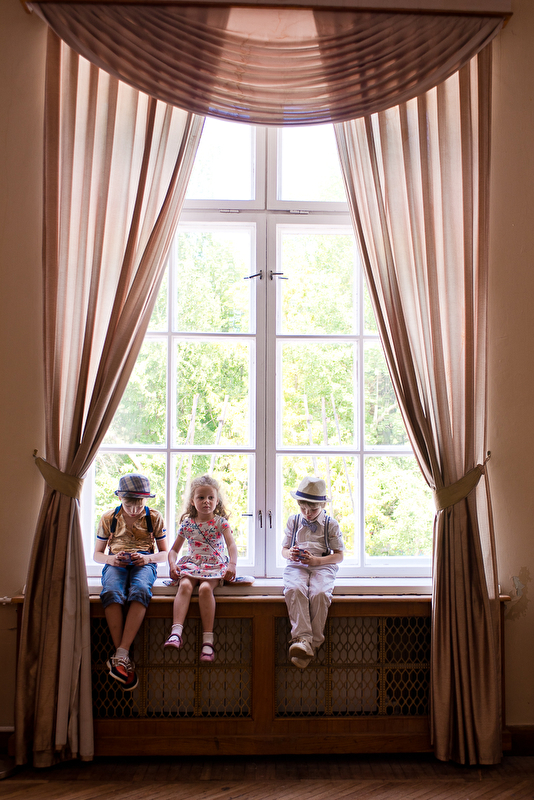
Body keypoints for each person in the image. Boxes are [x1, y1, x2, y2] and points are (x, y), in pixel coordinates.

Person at [93, 473, 168, 690]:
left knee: (140, 590)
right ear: (119, 498)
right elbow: (97, 554)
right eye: (129, 505)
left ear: (146, 500)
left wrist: (147, 559)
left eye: (139, 504)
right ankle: (123, 658)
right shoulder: (109, 518)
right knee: (111, 592)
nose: (134, 510)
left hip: (144, 562)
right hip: (116, 562)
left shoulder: (154, 517)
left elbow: (164, 553)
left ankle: (120, 656)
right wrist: (111, 559)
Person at [164, 474, 238, 662]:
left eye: (211, 497)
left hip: (213, 565)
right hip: (192, 564)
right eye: (201, 497)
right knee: (185, 585)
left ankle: (208, 641)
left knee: (205, 589)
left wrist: (232, 564)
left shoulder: (220, 522)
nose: (207, 501)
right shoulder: (188, 524)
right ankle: (176, 632)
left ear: (217, 500)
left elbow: (231, 545)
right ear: (192, 501)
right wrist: (172, 564)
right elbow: (173, 550)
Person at [281, 475, 344, 669]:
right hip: (297, 566)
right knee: (295, 589)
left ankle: (312, 643)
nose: (307, 514)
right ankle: (302, 639)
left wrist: (317, 561)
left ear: (323, 505)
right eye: (303, 509)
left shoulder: (331, 524)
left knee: (320, 593)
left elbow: (339, 556)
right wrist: (289, 553)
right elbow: (283, 550)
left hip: (323, 565)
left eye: (313, 510)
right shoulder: (294, 521)